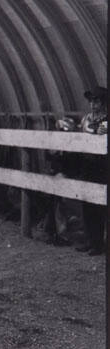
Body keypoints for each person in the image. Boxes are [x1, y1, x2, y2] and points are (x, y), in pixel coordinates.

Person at [73, 85, 107, 255]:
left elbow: (101, 136)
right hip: (87, 164)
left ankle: (99, 244)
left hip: (101, 167)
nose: (93, 105)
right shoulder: (86, 118)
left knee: (100, 205)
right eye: (91, 101)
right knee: (86, 203)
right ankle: (91, 240)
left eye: (97, 101)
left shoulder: (106, 120)